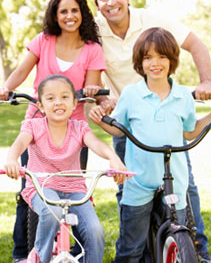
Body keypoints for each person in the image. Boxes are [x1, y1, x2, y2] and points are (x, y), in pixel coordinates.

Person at [91, 0, 211, 263]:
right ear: (96, 4)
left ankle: (199, 253)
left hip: (171, 154)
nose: (111, 2)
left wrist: (209, 90)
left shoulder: (181, 93)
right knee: (132, 224)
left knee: (185, 205)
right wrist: (101, 111)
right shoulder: (93, 31)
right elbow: (113, 119)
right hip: (132, 131)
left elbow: (189, 131)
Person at [0, 0, 106, 262]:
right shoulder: (43, 40)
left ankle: (72, 251)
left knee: (72, 193)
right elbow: (22, 71)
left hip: (73, 131)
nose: (69, 16)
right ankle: (23, 255)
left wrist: (93, 88)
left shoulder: (92, 49)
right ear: (55, 16)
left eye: (74, 10)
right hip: (38, 125)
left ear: (82, 13)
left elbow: (93, 86)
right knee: (30, 190)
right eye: (63, 11)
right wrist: (5, 88)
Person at [4, 74, 128, 263]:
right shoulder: (33, 126)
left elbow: (97, 144)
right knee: (50, 210)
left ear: (74, 104)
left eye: (64, 97)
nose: (58, 103)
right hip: (41, 187)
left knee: (95, 231)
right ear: (41, 106)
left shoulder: (79, 127)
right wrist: (12, 159)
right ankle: (40, 259)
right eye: (50, 98)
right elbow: (19, 144)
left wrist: (114, 158)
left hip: (75, 190)